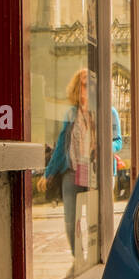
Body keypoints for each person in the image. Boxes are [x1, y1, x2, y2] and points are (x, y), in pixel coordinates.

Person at [39, 67, 97, 263]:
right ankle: (78, 259)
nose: (86, 89)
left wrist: (106, 148)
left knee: (94, 219)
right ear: (76, 89)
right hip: (72, 172)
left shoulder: (104, 113)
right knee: (71, 221)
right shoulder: (71, 114)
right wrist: (48, 173)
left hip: (94, 173)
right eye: (83, 85)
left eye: (90, 85)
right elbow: (61, 146)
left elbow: (117, 140)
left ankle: (96, 258)